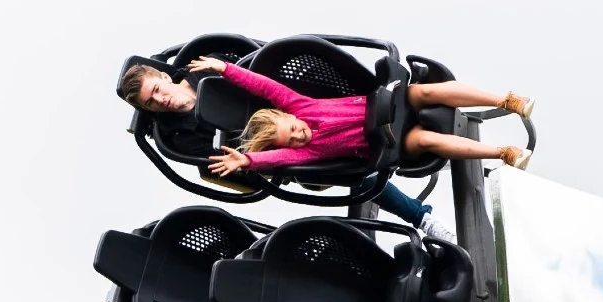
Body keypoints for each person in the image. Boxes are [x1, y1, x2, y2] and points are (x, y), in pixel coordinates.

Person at [117, 60, 449, 239]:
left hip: (300, 107)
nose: (162, 99)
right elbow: (226, 156)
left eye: (158, 89)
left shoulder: (202, 65)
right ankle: (421, 217)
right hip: (285, 149)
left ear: (163, 75)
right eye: (152, 102)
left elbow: (259, 68)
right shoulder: (178, 137)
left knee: (356, 111)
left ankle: (429, 144)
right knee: (349, 172)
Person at [182, 56, 533, 177]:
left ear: (288, 115)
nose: (300, 135)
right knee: (425, 140)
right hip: (389, 140)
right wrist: (246, 161)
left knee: (424, 92)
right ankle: (502, 152)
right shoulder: (308, 151)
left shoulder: (299, 105)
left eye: (295, 129)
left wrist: (224, 68)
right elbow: (276, 157)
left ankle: (506, 99)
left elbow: (264, 86)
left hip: (389, 105)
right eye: (294, 139)